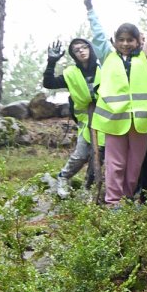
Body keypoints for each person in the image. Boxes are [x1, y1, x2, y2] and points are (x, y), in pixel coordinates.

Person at [87, 0, 147, 206]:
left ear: (137, 41)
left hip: (140, 122)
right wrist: (89, 9)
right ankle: (113, 200)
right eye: (121, 40)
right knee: (115, 163)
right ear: (115, 41)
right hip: (114, 121)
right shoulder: (108, 56)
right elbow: (97, 35)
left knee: (135, 164)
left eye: (130, 40)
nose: (125, 44)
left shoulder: (146, 57)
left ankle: (126, 198)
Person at [42, 38, 102, 197]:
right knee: (81, 154)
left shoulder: (102, 68)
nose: (81, 51)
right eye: (77, 50)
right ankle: (63, 177)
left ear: (90, 48)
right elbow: (48, 83)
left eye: (84, 47)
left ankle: (89, 187)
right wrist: (51, 62)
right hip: (86, 121)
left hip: (108, 120)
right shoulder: (71, 74)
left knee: (101, 154)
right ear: (74, 55)